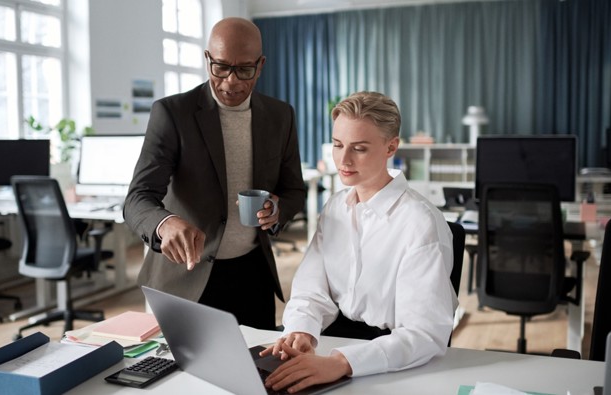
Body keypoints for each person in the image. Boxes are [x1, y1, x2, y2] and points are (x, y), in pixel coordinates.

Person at [261, 91, 458, 393]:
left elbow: (425, 334)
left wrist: (343, 363)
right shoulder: (336, 207)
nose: (344, 160)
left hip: (393, 354)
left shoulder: (420, 223)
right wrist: (302, 329)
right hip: (336, 337)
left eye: (360, 149)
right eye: (338, 145)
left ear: (391, 146)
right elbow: (311, 288)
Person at [123, 17, 306, 330]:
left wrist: (277, 210)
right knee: (182, 378)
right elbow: (137, 198)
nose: (230, 81)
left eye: (244, 69)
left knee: (254, 373)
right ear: (207, 59)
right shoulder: (172, 114)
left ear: (260, 65)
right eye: (220, 67)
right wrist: (165, 224)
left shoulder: (280, 116)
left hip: (252, 274)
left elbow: (294, 190)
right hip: (185, 278)